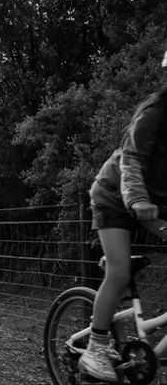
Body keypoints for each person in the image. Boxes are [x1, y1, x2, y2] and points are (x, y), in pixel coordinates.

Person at [78, 53, 167, 382]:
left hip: (153, 205)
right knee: (118, 271)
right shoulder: (153, 113)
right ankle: (96, 348)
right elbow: (131, 161)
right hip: (116, 195)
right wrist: (139, 200)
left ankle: (148, 364)